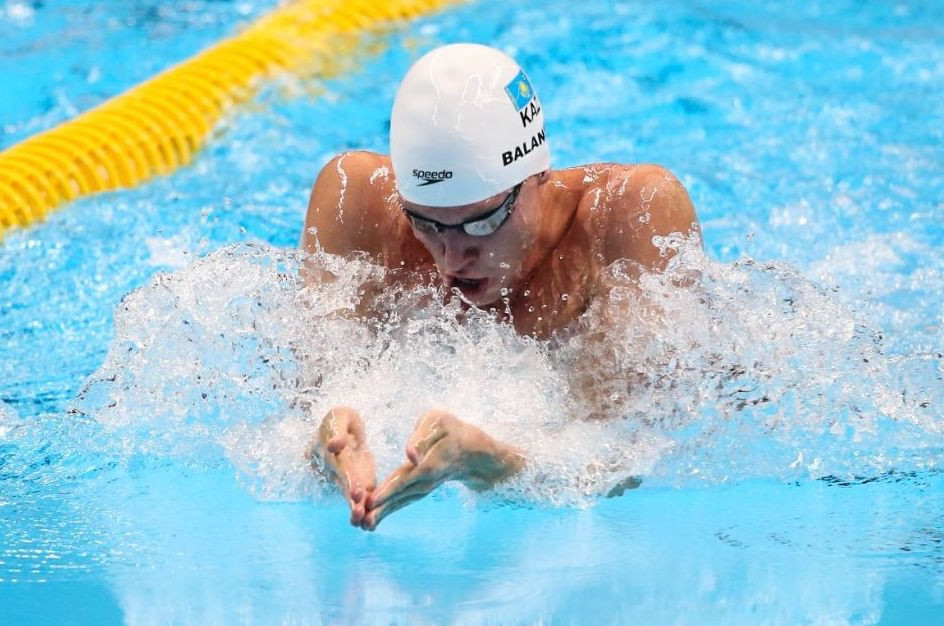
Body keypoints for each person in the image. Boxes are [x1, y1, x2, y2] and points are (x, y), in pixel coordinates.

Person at [300, 43, 701, 530]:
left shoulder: (628, 218)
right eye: (425, 224)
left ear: (538, 175)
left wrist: (492, 463)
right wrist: (325, 444)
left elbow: (626, 460)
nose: (452, 257)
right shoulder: (356, 201)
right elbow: (303, 407)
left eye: (482, 222)